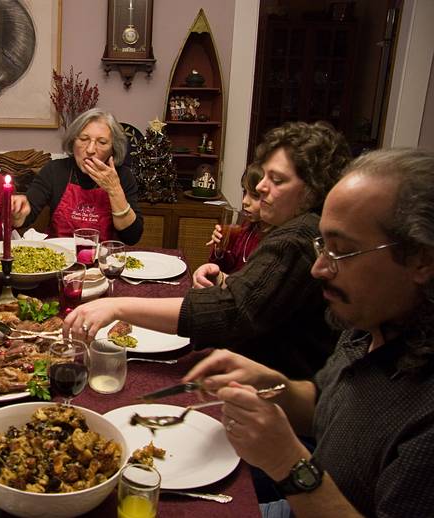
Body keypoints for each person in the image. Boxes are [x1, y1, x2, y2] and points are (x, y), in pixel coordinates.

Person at [183, 148, 434, 517]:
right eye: (322, 246)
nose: (318, 269)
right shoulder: (366, 324)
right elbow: (325, 408)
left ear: (421, 260)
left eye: (343, 252)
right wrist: (271, 384)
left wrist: (288, 461)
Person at [66, 121, 352, 378]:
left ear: (313, 189)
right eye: (263, 176)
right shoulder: (296, 227)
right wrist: (229, 281)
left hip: (279, 388)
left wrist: (118, 307)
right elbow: (264, 299)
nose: (261, 187)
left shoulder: (297, 236)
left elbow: (231, 314)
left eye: (276, 180)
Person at [10, 108, 144, 245]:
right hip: (58, 258)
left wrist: (114, 190)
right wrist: (17, 212)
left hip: (102, 261)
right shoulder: (55, 170)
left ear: (113, 149)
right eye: (84, 139)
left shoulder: (123, 176)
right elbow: (24, 218)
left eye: (102, 142)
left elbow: (132, 237)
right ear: (72, 142)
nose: (90, 150)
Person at [194, 162, 272, 287]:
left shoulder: (274, 240)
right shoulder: (248, 227)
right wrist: (220, 249)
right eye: (245, 192)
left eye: (255, 195)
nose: (245, 201)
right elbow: (225, 269)